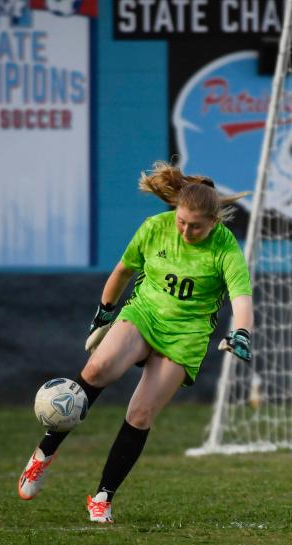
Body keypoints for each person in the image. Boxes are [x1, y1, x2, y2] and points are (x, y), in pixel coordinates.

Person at [18, 160, 254, 523]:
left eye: (196, 227)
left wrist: (242, 333)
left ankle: (102, 497)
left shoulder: (225, 248)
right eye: (181, 221)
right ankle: (42, 456)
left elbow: (241, 297)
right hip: (144, 313)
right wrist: (105, 314)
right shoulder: (155, 228)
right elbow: (123, 271)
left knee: (141, 413)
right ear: (175, 210)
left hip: (186, 335)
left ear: (214, 222)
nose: (186, 230)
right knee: (97, 369)